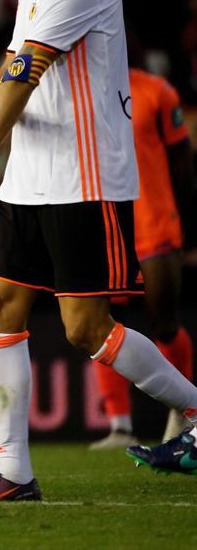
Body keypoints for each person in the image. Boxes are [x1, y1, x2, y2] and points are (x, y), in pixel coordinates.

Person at [0, 0, 197, 502]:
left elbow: (29, 68)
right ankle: (13, 473)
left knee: (85, 327)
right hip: (31, 179)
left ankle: (195, 408)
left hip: (82, 178)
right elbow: (13, 58)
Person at [89, 67, 193, 449]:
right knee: (97, 319)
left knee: (164, 322)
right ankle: (119, 426)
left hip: (154, 220)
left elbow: (182, 162)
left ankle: (183, 410)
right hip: (103, 222)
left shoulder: (156, 91)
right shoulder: (82, 90)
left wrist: (184, 222)